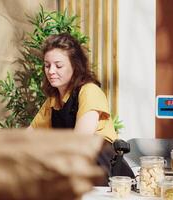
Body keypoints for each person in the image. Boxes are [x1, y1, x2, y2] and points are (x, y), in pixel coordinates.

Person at [29, 33, 120, 182]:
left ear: (75, 66)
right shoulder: (52, 101)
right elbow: (28, 138)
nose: (51, 71)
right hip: (75, 175)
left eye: (58, 65)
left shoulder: (90, 92)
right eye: (47, 65)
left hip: (106, 179)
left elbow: (79, 144)